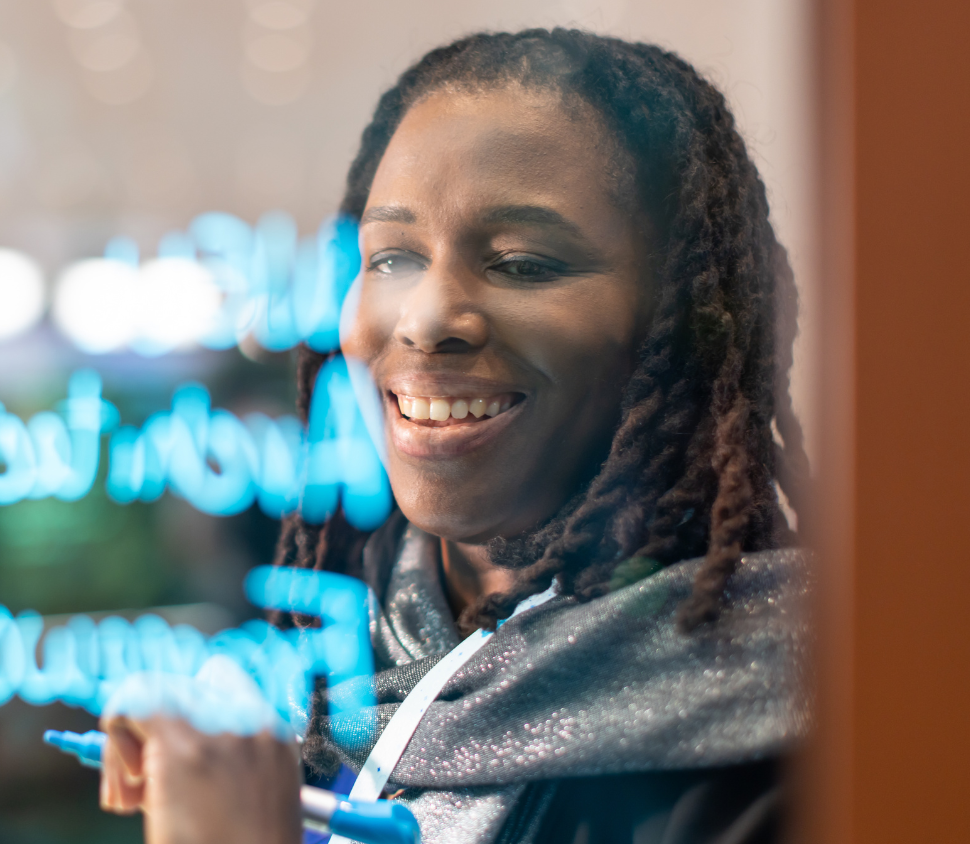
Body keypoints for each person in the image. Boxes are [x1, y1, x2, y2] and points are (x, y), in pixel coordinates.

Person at [98, 29, 810, 844]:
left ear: (684, 327)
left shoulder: (791, 746)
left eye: (523, 263)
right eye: (393, 257)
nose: (427, 318)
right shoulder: (331, 680)